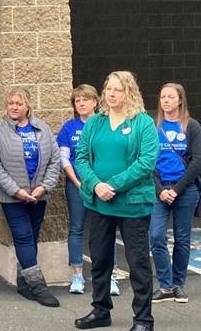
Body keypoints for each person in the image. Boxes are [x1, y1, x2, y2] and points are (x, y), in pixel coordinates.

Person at [74, 71, 158, 331]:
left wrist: (114, 184)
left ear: (129, 92)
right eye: (108, 88)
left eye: (117, 90)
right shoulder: (95, 122)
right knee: (99, 260)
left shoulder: (142, 122)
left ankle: (143, 319)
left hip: (132, 205)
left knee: (138, 263)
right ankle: (101, 310)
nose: (110, 94)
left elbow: (146, 162)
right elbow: (81, 158)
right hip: (99, 203)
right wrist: (96, 184)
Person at [0, 87, 61, 307]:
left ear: (27, 106)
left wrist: (44, 187)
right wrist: (15, 190)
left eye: (18, 104)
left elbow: (54, 160)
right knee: (23, 238)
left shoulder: (42, 127)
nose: (13, 107)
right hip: (13, 197)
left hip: (38, 195)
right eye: (10, 103)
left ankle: (23, 283)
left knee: (31, 238)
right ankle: (38, 287)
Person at [58, 84, 121, 296]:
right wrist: (78, 182)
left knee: (105, 231)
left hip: (104, 188)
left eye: (85, 99)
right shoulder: (69, 128)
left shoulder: (105, 123)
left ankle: (108, 275)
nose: (81, 103)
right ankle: (77, 274)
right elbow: (65, 158)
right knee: (77, 228)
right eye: (77, 101)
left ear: (95, 101)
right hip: (77, 186)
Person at [150, 83, 201, 304]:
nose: (166, 101)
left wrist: (177, 190)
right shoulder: (153, 126)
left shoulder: (191, 126)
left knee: (182, 238)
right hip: (159, 189)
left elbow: (197, 161)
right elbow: (146, 162)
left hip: (185, 189)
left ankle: (178, 284)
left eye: (171, 97)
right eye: (162, 97)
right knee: (156, 235)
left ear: (180, 100)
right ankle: (165, 284)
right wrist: (161, 190)